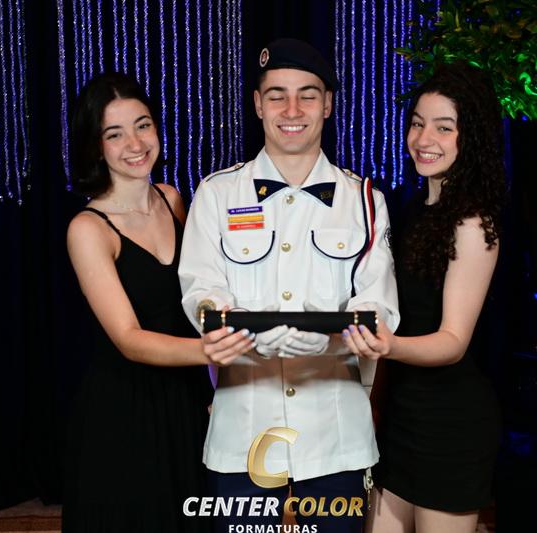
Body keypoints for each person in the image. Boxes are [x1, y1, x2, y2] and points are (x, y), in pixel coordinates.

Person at [179, 38, 400, 532]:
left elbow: (380, 305)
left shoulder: (364, 199)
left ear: (328, 104)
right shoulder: (216, 193)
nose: (292, 110)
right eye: (277, 95)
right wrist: (240, 331)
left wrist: (331, 340)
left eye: (308, 94)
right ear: (258, 104)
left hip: (335, 438)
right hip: (242, 433)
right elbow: (200, 289)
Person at [63, 72, 255, 533]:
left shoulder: (172, 199)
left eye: (143, 125)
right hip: (125, 407)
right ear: (96, 146)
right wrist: (210, 352)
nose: (135, 143)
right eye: (115, 133)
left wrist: (216, 386)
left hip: (186, 397)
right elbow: (129, 339)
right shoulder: (88, 229)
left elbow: (198, 301)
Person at [343, 62, 505, 532]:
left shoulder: (473, 223)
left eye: (443, 127)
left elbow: (453, 341)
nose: (424, 138)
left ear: (470, 137)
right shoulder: (411, 208)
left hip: (450, 424)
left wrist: (388, 345)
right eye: (417, 123)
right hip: (401, 417)